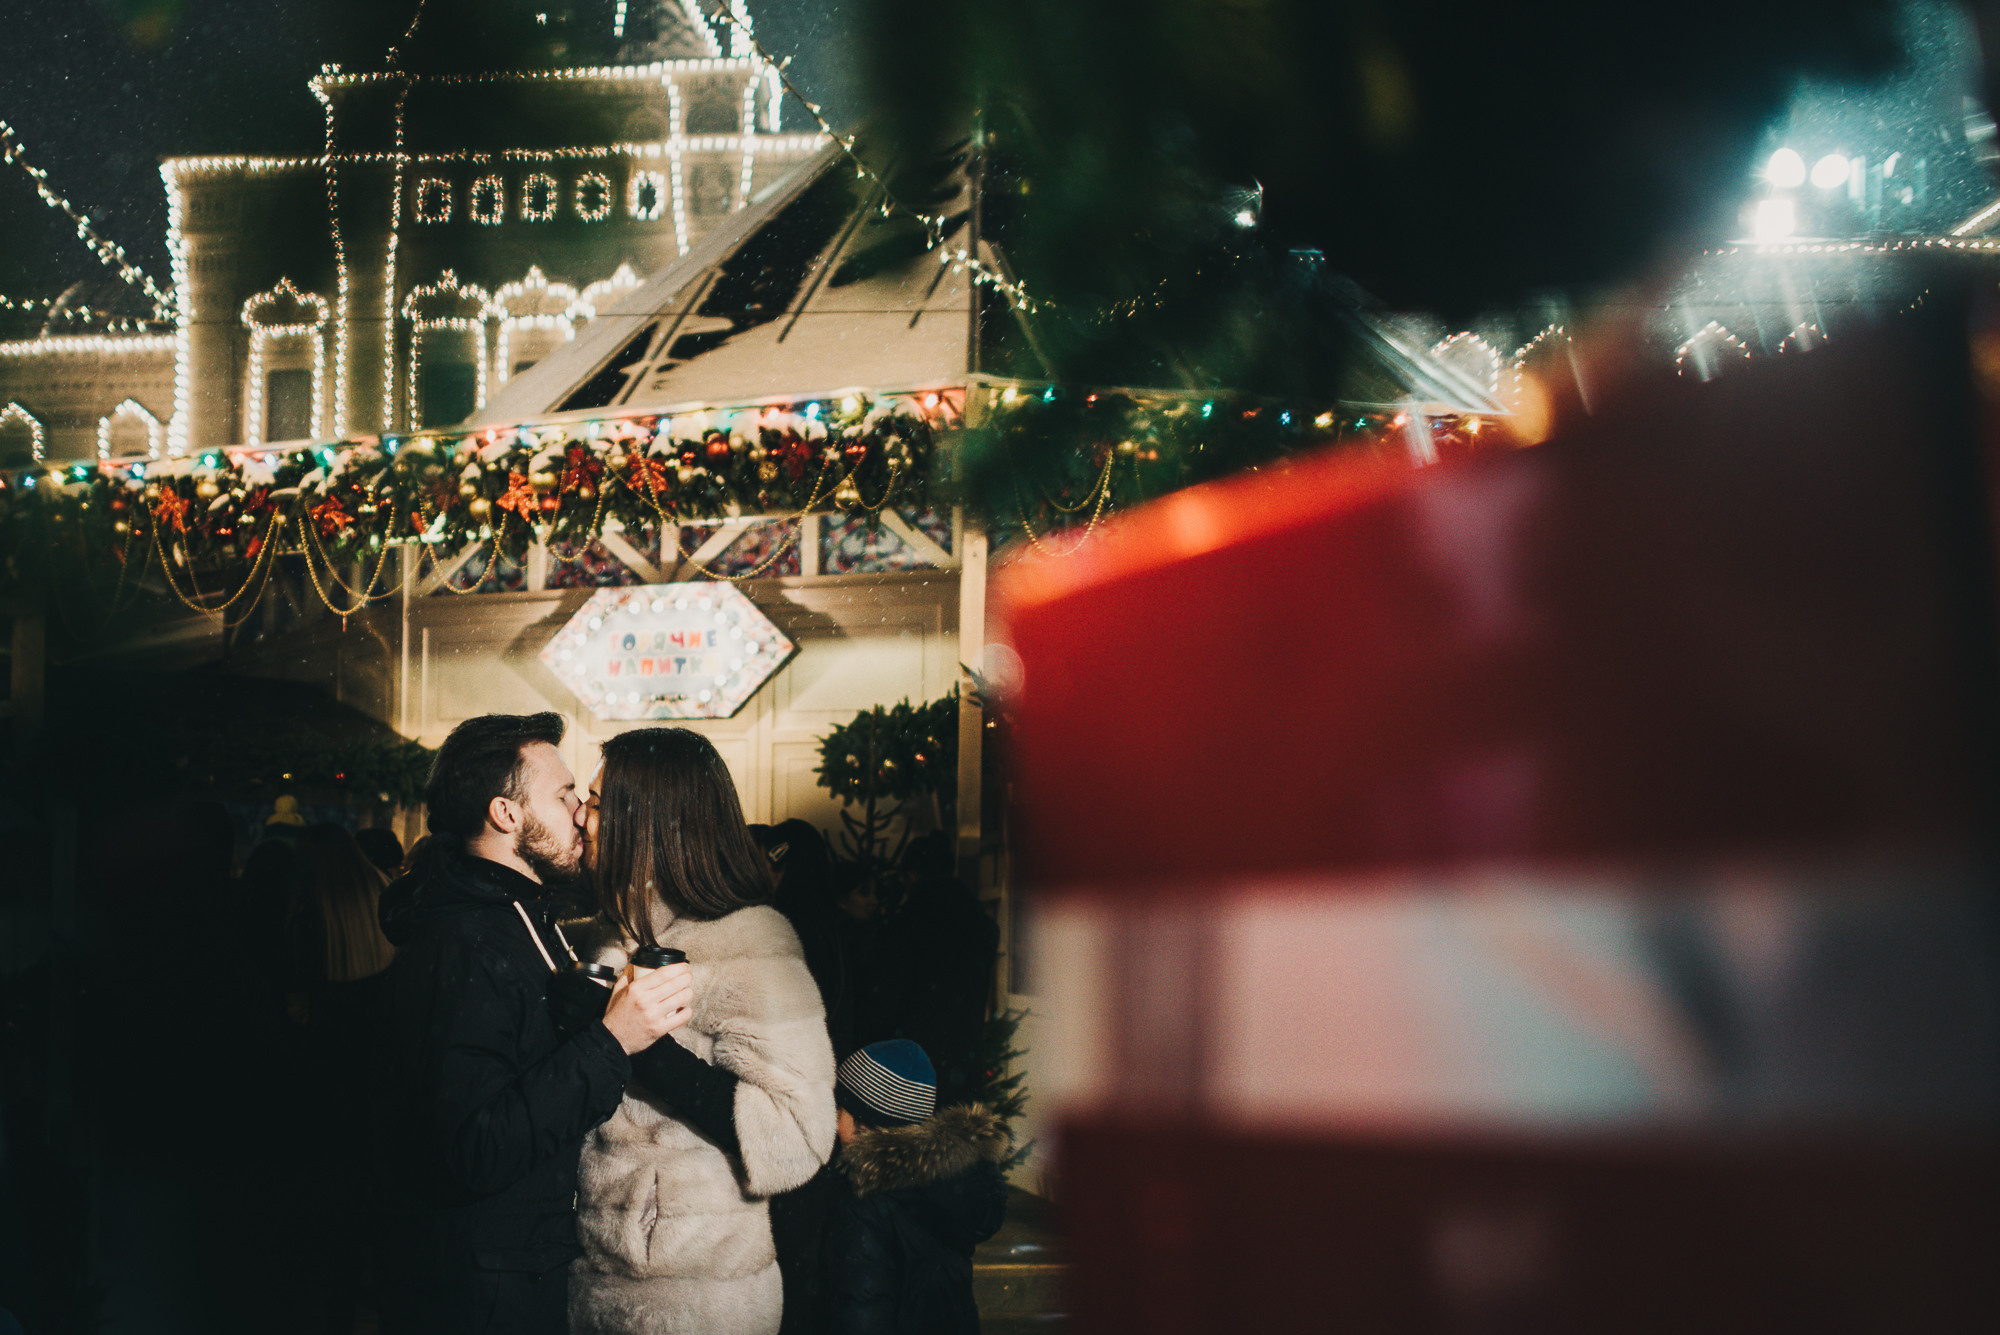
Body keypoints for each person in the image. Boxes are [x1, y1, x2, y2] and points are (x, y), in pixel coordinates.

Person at [376, 712, 693, 1335]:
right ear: (507, 814)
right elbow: (472, 1148)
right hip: (481, 1290)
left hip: (516, 1267)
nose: (580, 812)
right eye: (564, 794)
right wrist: (612, 1041)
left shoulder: (522, 916)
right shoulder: (464, 943)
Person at [571, 727, 837, 1335]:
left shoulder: (750, 943)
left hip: (698, 1303)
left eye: (598, 801)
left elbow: (800, 1133)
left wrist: (642, 1050)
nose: (584, 817)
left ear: (651, 821)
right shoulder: (606, 935)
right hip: (594, 1283)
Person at [281, 821, 399, 1335]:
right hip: (375, 1095)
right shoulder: (382, 905)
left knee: (324, 1223)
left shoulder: (310, 919)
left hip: (324, 1095)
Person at [822, 1041, 1010, 1335]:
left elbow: (862, 1310)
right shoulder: (946, 1185)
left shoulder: (865, 1205)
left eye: (839, 1110)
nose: (833, 1123)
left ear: (863, 1126)